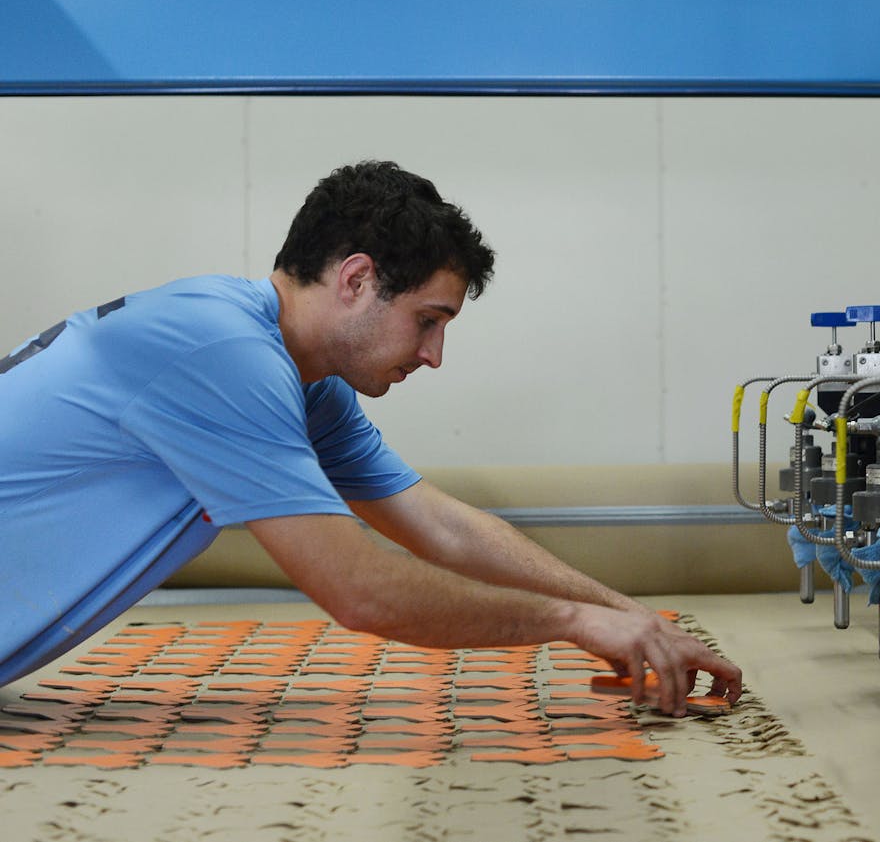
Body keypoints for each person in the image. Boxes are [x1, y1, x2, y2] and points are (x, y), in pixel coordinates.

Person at [0, 160, 740, 715]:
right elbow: (360, 588)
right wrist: (575, 621)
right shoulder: (224, 353)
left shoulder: (300, 377)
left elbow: (438, 524)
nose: (433, 355)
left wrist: (633, 617)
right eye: (428, 320)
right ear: (355, 279)